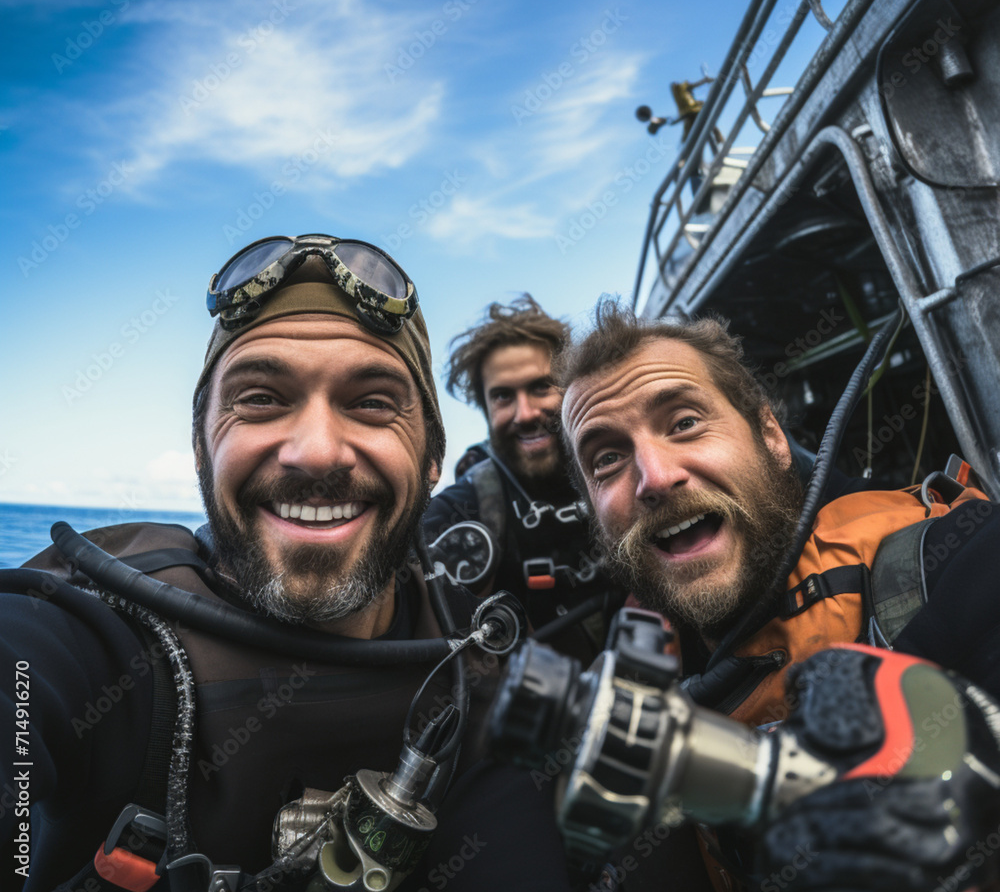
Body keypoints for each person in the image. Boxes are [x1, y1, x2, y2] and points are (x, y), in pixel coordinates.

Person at [0, 236, 571, 892]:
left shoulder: (478, 667)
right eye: (262, 399)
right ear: (199, 448)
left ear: (432, 460)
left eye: (373, 403)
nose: (317, 452)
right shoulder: (97, 628)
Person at [557, 298, 1000, 891]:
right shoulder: (638, 675)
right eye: (607, 458)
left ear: (771, 436)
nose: (655, 477)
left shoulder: (954, 557)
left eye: (685, 422)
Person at [422, 296, 613, 660]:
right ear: (485, 409)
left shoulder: (633, 470)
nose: (524, 414)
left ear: (572, 388)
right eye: (503, 396)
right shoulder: (463, 507)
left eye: (541, 387)